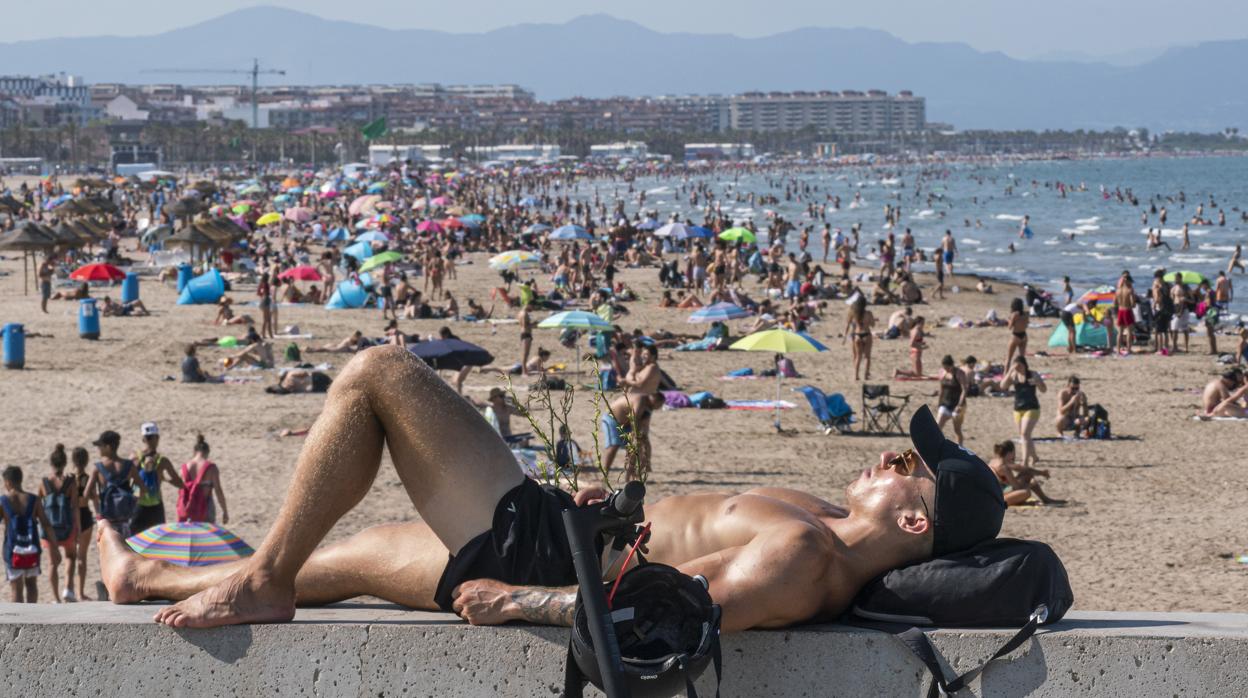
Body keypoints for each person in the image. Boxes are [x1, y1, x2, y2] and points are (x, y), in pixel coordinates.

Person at [94, 347, 1003, 634]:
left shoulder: (811, 554)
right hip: (561, 529)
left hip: (546, 552)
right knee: (342, 560)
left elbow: (682, 606)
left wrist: (528, 600)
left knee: (375, 374)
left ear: (916, 516)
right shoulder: (821, 518)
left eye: (905, 467)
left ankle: (255, 584)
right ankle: (145, 581)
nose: (889, 457)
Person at [3, 466, 62, 603]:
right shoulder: (34, 500)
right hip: (32, 547)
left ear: (8, 482)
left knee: (16, 588)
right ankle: (32, 618)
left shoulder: (3, 501)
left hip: (12, 549)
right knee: (31, 585)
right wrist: (55, 548)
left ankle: (19, 620)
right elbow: (46, 524)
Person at [38, 444, 79, 602]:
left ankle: (56, 598)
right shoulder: (70, 482)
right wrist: (78, 527)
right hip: (67, 527)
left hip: (49, 530)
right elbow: (75, 506)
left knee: (52, 563)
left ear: (51, 463)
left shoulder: (44, 483)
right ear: (64, 463)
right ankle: (68, 589)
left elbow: (39, 506)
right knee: (70, 557)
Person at [86, 431, 145, 538]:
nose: (98, 449)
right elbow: (143, 489)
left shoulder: (98, 468)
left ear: (108, 447)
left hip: (107, 521)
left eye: (100, 446)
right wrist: (134, 500)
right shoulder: (128, 465)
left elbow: (86, 493)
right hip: (125, 520)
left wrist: (97, 502)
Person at [131, 422, 184, 533]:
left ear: (143, 439)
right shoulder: (163, 461)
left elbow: (126, 482)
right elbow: (180, 484)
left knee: (134, 543)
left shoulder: (134, 458)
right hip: (156, 507)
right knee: (159, 542)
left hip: (138, 504)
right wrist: (165, 479)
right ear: (158, 438)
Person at [997, 357, 1046, 470]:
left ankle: (1024, 461)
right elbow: (1002, 386)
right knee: (1025, 435)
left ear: (1024, 365)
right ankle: (1034, 457)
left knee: (1024, 434)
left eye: (1019, 366)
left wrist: (1038, 382)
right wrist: (1010, 371)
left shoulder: (1033, 374)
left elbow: (1044, 389)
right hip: (1018, 409)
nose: (1018, 368)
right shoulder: (1014, 375)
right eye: (1016, 366)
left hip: (1032, 408)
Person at [987, 442, 1064, 507]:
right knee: (1026, 492)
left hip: (998, 492)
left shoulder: (995, 461)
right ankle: (1044, 500)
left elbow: (1022, 469)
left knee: (1026, 475)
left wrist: (1041, 473)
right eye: (1014, 453)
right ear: (1010, 453)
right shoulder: (1004, 468)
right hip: (998, 498)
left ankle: (1046, 499)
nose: (1014, 456)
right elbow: (1017, 487)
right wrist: (1030, 484)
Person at [177, 435, 228, 524]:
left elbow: (181, 493)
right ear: (207, 452)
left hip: (187, 509)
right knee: (206, 537)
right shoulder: (211, 468)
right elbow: (218, 491)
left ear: (194, 451)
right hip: (206, 509)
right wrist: (225, 511)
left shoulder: (183, 469)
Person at [70, 446, 94, 600]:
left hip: (71, 518)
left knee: (70, 556)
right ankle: (80, 591)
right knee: (82, 557)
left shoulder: (68, 479)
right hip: (85, 516)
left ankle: (69, 589)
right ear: (87, 461)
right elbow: (91, 498)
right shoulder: (88, 478)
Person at [934, 355, 969, 444]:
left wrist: (959, 405)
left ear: (952, 365)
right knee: (937, 427)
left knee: (957, 430)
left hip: (957, 405)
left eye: (948, 368)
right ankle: (936, 447)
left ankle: (960, 448)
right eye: (944, 368)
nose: (946, 370)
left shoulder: (959, 373)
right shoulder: (942, 373)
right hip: (945, 403)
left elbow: (964, 390)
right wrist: (939, 403)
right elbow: (941, 389)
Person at [843, 294, 875, 381]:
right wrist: (872, 320)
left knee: (858, 356)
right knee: (867, 357)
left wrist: (844, 337)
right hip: (866, 334)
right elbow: (872, 325)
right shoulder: (868, 313)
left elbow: (848, 324)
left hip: (857, 335)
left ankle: (856, 376)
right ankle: (866, 375)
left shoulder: (854, 314)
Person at [1115, 274, 1137, 354]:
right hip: (1127, 311)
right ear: (1128, 281)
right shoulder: (1129, 290)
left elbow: (1115, 303)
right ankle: (1128, 349)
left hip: (1120, 311)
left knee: (1120, 332)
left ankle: (1118, 350)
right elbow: (1133, 304)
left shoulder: (1118, 290)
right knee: (1129, 331)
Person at [1005, 298, 1028, 367]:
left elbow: (1010, 327)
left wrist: (1009, 319)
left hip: (1016, 336)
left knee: (1008, 358)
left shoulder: (1015, 314)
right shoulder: (1026, 313)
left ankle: (1005, 375)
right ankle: (1025, 374)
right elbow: (1026, 324)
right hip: (1024, 335)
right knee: (1022, 358)